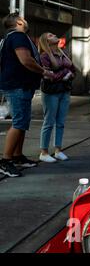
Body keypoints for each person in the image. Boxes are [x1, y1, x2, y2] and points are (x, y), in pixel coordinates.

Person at [0, 13, 54, 177]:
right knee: (18, 122)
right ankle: (6, 160)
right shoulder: (18, 36)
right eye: (23, 19)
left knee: (22, 122)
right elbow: (25, 60)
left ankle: (17, 156)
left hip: (19, 85)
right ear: (18, 22)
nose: (26, 21)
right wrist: (43, 71)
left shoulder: (11, 37)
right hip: (18, 86)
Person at [38, 32, 76, 163]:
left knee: (60, 122)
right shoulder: (44, 56)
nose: (54, 35)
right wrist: (66, 73)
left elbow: (74, 70)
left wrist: (68, 74)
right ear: (46, 42)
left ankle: (58, 150)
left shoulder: (63, 53)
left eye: (53, 34)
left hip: (64, 91)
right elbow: (47, 76)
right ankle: (43, 152)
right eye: (49, 35)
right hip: (51, 92)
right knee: (49, 122)